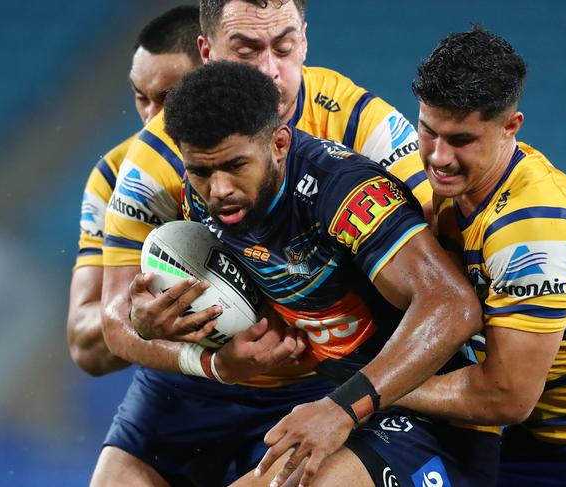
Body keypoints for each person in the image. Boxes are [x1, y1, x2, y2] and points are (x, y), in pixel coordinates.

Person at [99, 1, 435, 485]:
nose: (270, 71)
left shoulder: (363, 125)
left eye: (284, 45)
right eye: (247, 49)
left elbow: (440, 261)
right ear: (207, 51)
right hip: (199, 375)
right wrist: (196, 354)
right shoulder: (159, 156)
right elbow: (115, 321)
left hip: (327, 380)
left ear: (304, 39)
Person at [164, 60, 500, 487]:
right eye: (201, 172)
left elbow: (452, 306)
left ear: (280, 143)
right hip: (349, 406)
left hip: (440, 422)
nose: (219, 189)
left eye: (235, 165)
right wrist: (157, 322)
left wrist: (342, 408)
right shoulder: (203, 203)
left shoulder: (344, 192)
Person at [390, 26, 566, 487]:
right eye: (428, 131)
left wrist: (373, 388)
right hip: (534, 434)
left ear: (511, 126)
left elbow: (506, 397)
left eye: (461, 140)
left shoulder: (530, 229)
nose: (438, 158)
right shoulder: (462, 186)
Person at [66, 6, 201, 376]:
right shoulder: (114, 175)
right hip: (180, 381)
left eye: (169, 100)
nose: (151, 120)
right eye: (142, 98)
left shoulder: (279, 153)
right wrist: (141, 315)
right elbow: (83, 345)